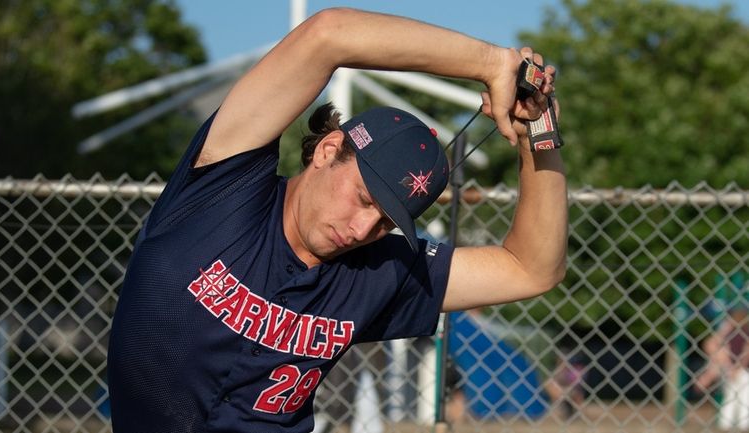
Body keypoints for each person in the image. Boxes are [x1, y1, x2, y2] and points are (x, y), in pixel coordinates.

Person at [106, 7, 566, 432]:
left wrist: (538, 133)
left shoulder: (379, 269)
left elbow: (531, 268)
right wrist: (490, 62)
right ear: (328, 150)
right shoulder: (225, 187)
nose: (363, 230)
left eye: (387, 222)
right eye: (364, 199)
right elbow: (328, 36)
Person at [696, 305, 749, 430]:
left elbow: (746, 352)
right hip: (731, 368)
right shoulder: (729, 330)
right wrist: (731, 367)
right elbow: (711, 345)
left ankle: (736, 424)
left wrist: (737, 367)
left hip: (741, 369)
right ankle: (733, 424)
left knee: (739, 395)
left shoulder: (745, 330)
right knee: (735, 395)